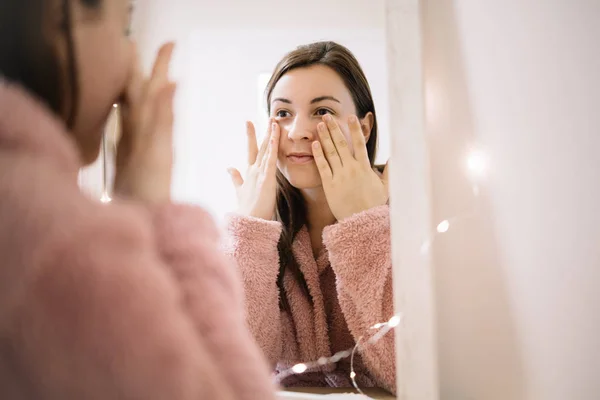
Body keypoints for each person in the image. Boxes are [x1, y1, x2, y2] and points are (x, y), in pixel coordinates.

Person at [0, 1, 275, 399]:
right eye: (126, 26)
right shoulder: (57, 239)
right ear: (55, 19)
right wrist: (157, 213)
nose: (134, 57)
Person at [225, 41, 395, 393]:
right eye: (283, 113)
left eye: (322, 112)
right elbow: (234, 373)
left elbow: (406, 370)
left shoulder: (407, 219)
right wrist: (252, 230)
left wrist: (364, 222)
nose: (297, 132)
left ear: (364, 128)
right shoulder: (256, 231)